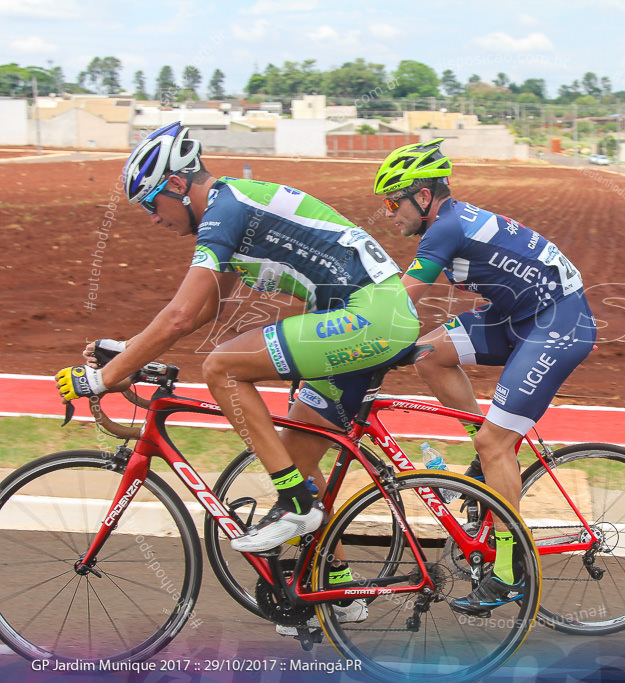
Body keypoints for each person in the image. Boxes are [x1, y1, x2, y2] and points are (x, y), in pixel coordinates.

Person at [54, 122, 420, 630]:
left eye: (151, 203)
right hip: (367, 317)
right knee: (295, 454)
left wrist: (106, 378)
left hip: (368, 316)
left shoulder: (224, 211)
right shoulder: (230, 211)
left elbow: (182, 317)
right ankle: (333, 585)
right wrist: (128, 353)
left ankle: (293, 503)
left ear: (179, 185)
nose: (152, 218)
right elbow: (202, 310)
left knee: (222, 368)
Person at [374, 138, 596, 615]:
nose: (389, 213)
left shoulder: (444, 229)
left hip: (557, 321)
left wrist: (359, 343)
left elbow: (398, 301)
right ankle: (485, 459)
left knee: (495, 443)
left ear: (424, 197)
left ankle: (510, 571)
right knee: (430, 356)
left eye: (394, 201)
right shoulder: (447, 220)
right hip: (517, 315)